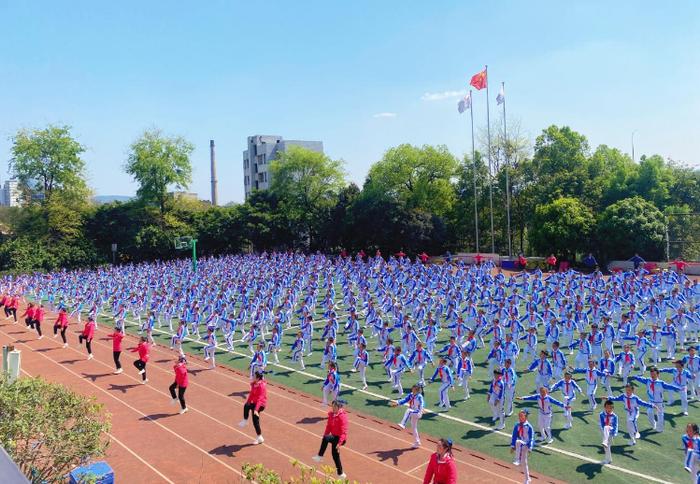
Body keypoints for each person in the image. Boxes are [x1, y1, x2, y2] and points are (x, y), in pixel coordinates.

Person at [312, 399, 348, 480]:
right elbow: (328, 427)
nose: (333, 408)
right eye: (332, 406)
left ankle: (320, 456)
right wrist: (325, 436)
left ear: (339, 407)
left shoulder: (343, 417)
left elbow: (344, 432)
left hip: (340, 439)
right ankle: (341, 474)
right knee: (335, 455)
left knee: (327, 439)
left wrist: (339, 444)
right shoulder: (331, 415)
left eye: (335, 407)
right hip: (334, 436)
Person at [391, 384, 424, 448]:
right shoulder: (411, 395)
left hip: (418, 412)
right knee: (414, 428)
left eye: (413, 389)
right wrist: (397, 403)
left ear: (416, 390)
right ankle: (417, 442)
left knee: (408, 411)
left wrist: (422, 410)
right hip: (413, 413)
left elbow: (422, 403)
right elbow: (405, 400)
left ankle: (403, 424)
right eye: (412, 388)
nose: (412, 389)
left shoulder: (419, 396)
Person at [239, 371, 267, 444]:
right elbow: (251, 394)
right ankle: (245, 420)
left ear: (257, 378)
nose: (253, 377)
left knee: (255, 420)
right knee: (246, 406)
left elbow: (260, 398)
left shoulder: (261, 386)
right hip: (254, 403)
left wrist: (256, 410)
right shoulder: (255, 384)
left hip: (261, 405)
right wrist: (248, 402)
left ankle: (259, 437)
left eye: (254, 376)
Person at [511, 410, 535, 484]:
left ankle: (517, 459)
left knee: (518, 442)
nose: (520, 418)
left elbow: (532, 438)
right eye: (519, 416)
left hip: (526, 444)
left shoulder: (529, 427)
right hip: (521, 444)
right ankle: (527, 479)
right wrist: (512, 446)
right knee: (524, 463)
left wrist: (530, 447)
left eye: (521, 416)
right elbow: (514, 435)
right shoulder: (517, 425)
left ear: (525, 417)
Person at [599, 399, 618, 465]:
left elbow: (616, 425)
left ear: (613, 408)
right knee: (606, 447)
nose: (609, 409)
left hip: (610, 430)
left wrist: (614, 432)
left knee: (607, 427)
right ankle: (608, 459)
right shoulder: (601, 414)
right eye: (607, 407)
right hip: (604, 431)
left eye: (611, 408)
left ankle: (607, 459)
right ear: (605, 407)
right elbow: (601, 423)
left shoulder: (615, 416)